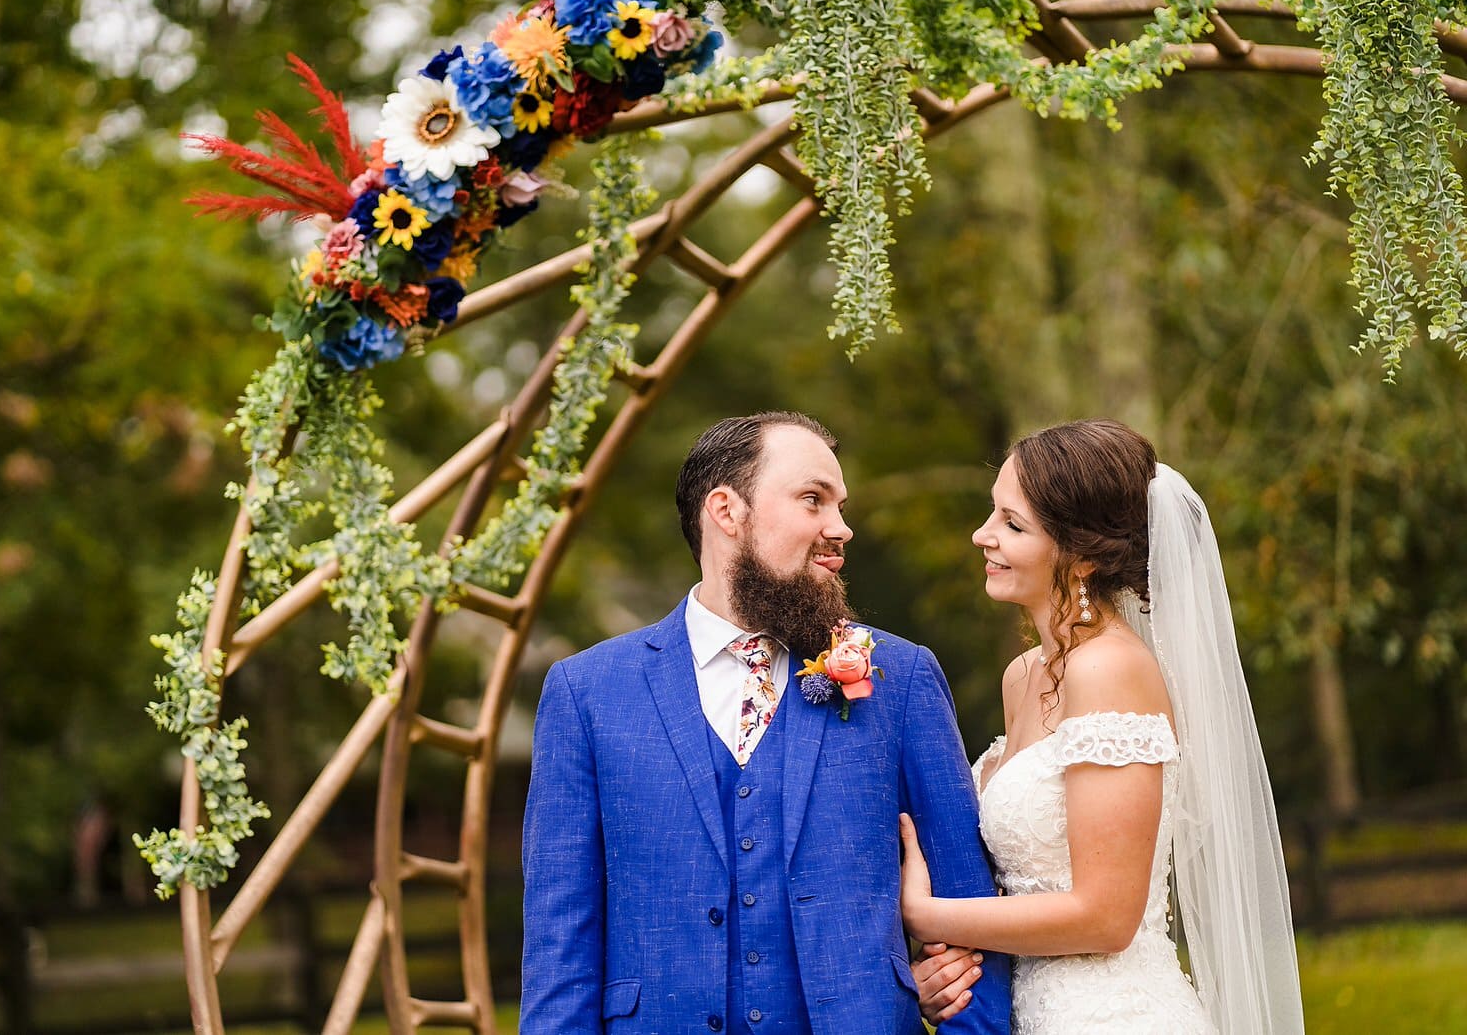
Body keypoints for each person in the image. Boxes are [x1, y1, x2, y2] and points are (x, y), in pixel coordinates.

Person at [521, 411, 1011, 1033]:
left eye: (840, 505)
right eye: (813, 500)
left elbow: (972, 911)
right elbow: (559, 943)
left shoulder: (902, 679)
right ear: (727, 511)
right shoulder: (586, 693)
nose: (842, 528)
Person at [901, 418, 1304, 1033]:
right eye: (993, 514)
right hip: (1031, 1011)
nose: (984, 536)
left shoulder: (1111, 669)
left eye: (1013, 524)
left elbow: (1107, 917)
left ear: (1083, 555)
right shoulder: (1024, 676)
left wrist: (929, 917)